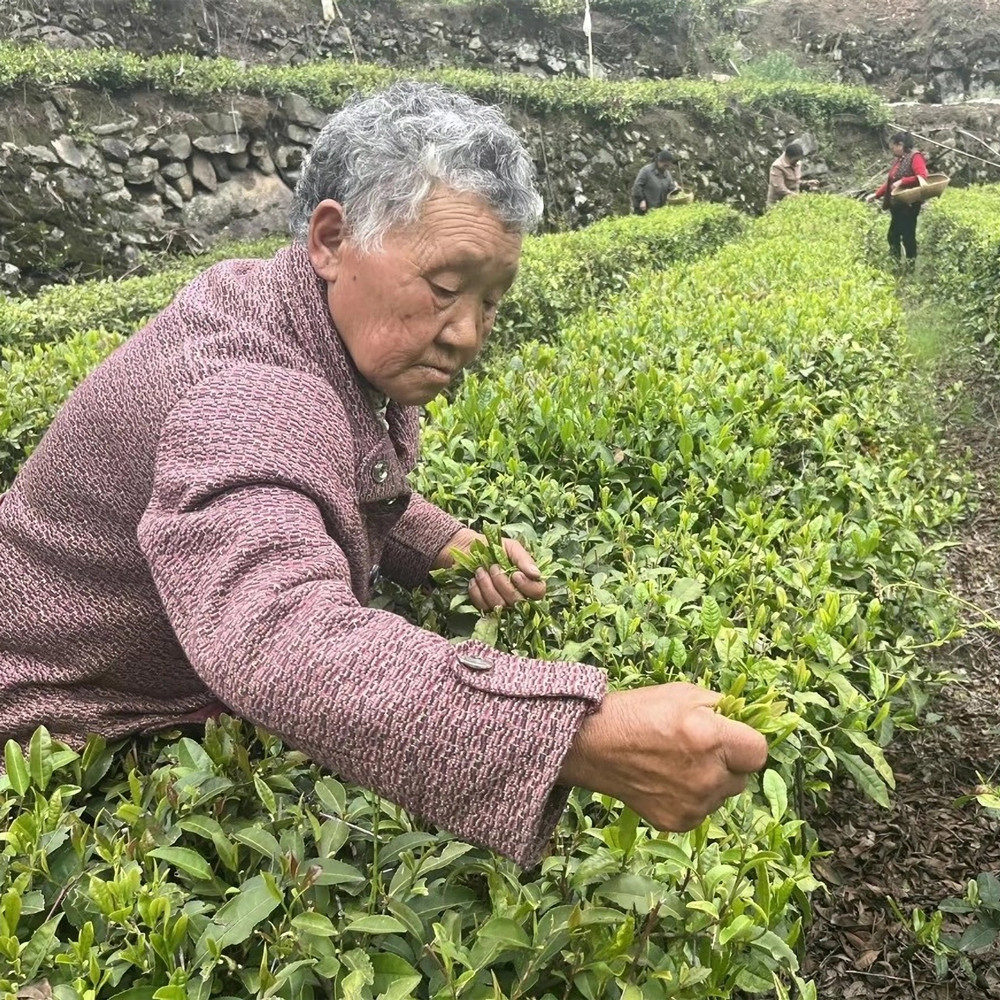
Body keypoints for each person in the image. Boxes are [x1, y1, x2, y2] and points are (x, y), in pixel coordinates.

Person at [0, 82, 767, 866]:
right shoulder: (246, 390)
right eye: (444, 288)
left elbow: (320, 470)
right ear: (332, 240)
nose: (468, 333)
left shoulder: (284, 303)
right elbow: (279, 636)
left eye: (492, 300)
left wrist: (446, 541)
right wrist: (581, 734)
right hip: (57, 725)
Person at [865, 130, 929, 264]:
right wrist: (876, 195)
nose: (892, 150)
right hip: (898, 206)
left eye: (893, 147)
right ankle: (896, 263)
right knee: (894, 235)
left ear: (900, 145)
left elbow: (922, 176)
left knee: (907, 236)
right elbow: (890, 182)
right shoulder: (900, 160)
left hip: (909, 205)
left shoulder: (915, 157)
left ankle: (910, 265)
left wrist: (903, 181)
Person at [766, 142, 820, 207]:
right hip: (778, 204)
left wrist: (807, 183)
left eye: (799, 160)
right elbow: (780, 188)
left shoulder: (797, 163)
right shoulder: (777, 167)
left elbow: (794, 181)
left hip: (794, 201)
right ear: (788, 157)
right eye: (796, 160)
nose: (797, 162)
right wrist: (797, 196)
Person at [631, 148, 680, 214]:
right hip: (645, 208)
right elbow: (637, 186)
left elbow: (670, 189)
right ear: (658, 161)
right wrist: (641, 200)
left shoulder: (667, 174)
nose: (665, 167)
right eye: (664, 164)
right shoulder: (646, 171)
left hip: (659, 210)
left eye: (667, 165)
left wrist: (676, 189)